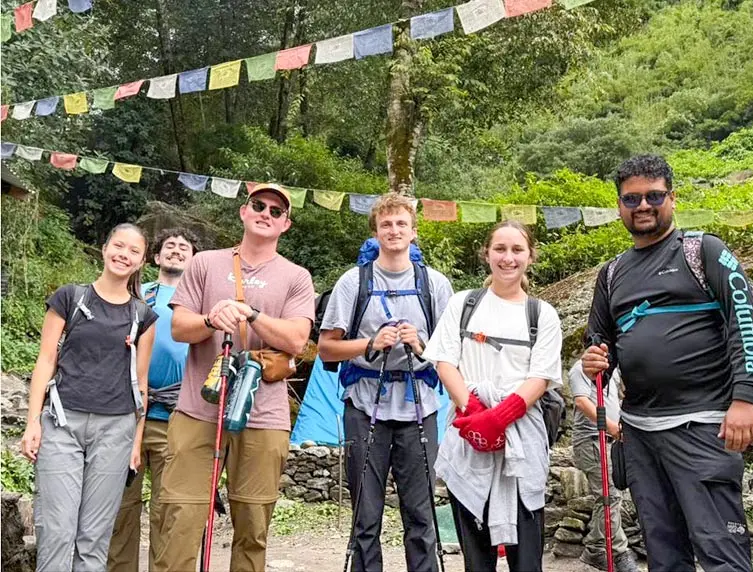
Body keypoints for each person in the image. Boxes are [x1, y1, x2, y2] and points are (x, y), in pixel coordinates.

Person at [581, 154, 753, 572]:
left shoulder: (705, 252)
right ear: (619, 206)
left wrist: (747, 399)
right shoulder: (612, 274)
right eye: (632, 199)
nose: (643, 206)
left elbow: (748, 322)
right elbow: (601, 345)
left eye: (654, 196)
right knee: (663, 558)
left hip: (704, 426)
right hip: (641, 435)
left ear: (673, 198)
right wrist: (595, 361)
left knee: (723, 557)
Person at [152, 183, 315, 572]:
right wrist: (211, 318)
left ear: (285, 224)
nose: (265, 213)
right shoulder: (205, 263)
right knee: (180, 519)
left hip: (264, 416)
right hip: (197, 410)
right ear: (244, 211)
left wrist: (251, 314)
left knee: (253, 528)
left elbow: (297, 338)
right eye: (258, 205)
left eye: (276, 211)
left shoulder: (296, 276)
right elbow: (179, 327)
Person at [318, 192, 454, 572]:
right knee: (366, 515)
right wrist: (370, 343)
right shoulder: (352, 282)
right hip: (364, 405)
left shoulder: (435, 284)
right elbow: (326, 349)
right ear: (375, 232)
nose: (394, 231)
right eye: (386, 224)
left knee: (422, 515)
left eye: (401, 224)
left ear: (413, 232)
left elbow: (453, 351)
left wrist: (421, 344)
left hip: (420, 407)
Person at [422, 220, 563, 572]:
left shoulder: (541, 315)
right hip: (468, 435)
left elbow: (540, 378)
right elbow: (444, 361)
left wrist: (497, 419)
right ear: (486, 254)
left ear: (531, 256)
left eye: (517, 250)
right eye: (500, 249)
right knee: (477, 558)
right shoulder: (462, 304)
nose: (508, 258)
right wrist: (475, 413)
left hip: (522, 443)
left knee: (527, 560)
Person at [20, 223, 158, 572]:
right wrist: (32, 421)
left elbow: (141, 384)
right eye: (118, 246)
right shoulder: (70, 297)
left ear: (141, 261)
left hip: (116, 429)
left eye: (133, 251)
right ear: (105, 247)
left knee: (94, 537)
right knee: (56, 529)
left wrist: (136, 442)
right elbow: (46, 360)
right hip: (62, 423)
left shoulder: (142, 316)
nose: (123, 255)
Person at [108, 227, 200, 572]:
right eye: (169, 247)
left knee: (169, 510)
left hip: (178, 417)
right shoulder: (135, 294)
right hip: (127, 415)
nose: (176, 251)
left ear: (194, 260)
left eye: (184, 247)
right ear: (156, 257)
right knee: (121, 508)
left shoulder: (199, 304)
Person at [568, 361, 638, 572]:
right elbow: (582, 402)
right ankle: (619, 551)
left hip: (610, 441)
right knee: (610, 496)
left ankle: (595, 547)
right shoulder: (580, 368)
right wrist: (614, 428)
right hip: (592, 440)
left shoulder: (612, 370)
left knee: (610, 496)